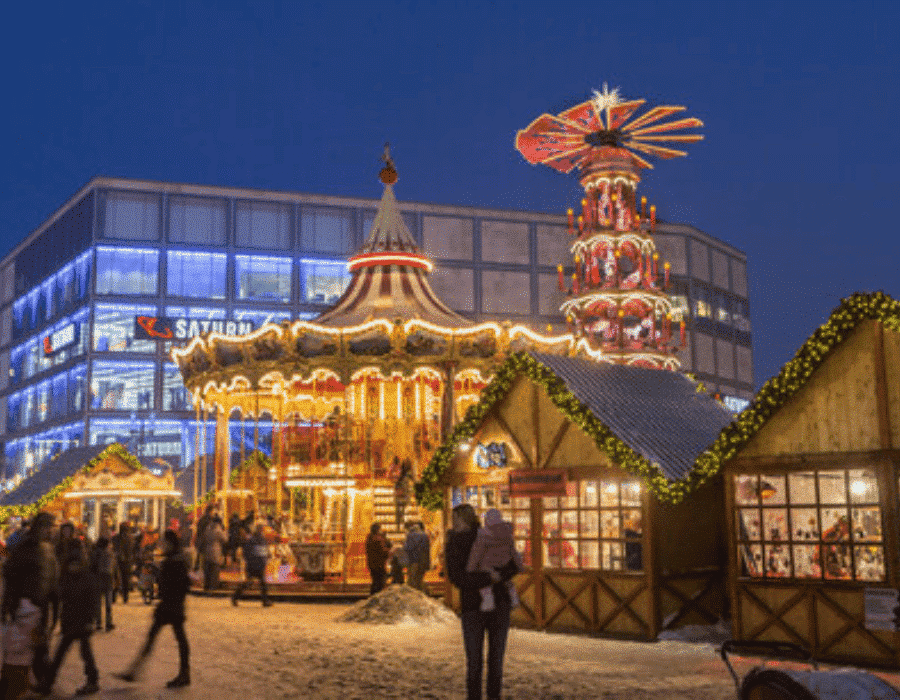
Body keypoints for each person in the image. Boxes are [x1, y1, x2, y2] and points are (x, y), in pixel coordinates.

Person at [445, 503, 519, 700]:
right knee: (485, 661)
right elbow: (458, 577)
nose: (453, 524)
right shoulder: (461, 541)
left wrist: (496, 575)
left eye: (455, 519)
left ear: (464, 520)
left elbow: (511, 562)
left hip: (483, 605)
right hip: (486, 604)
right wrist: (492, 577)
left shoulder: (479, 537)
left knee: (484, 661)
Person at [115, 529, 190, 688]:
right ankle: (137, 670)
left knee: (164, 638)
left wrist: (167, 593)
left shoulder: (175, 560)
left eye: (165, 542)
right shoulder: (175, 558)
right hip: (170, 605)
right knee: (164, 638)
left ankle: (136, 670)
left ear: (171, 543)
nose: (162, 545)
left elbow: (179, 584)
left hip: (171, 605)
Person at [1, 511, 57, 697]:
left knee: (38, 646)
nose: (50, 530)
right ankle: (17, 686)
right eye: (47, 527)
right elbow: (11, 574)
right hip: (26, 605)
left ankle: (40, 682)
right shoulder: (26, 547)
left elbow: (52, 577)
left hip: (40, 605)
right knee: (23, 650)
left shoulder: (47, 548)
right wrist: (8, 604)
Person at [37, 541, 100, 696]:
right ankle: (48, 682)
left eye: (76, 564)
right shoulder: (67, 578)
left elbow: (92, 602)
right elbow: (61, 596)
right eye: (71, 564)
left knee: (84, 654)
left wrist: (90, 620)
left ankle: (92, 681)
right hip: (70, 622)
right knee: (61, 654)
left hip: (82, 623)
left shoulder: (87, 579)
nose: (73, 567)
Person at [465, 508, 521, 611]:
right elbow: (513, 552)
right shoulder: (507, 534)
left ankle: (488, 599)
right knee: (507, 581)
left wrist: (470, 568)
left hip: (488, 568)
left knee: (483, 582)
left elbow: (476, 553)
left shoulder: (483, 535)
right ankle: (514, 597)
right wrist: (519, 565)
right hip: (504, 566)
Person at [232, 524, 271, 607]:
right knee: (255, 583)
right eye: (262, 530)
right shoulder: (256, 540)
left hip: (254, 564)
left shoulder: (254, 539)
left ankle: (235, 597)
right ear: (260, 531)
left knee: (259, 583)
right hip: (256, 564)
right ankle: (235, 596)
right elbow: (249, 551)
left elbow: (247, 552)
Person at [89, 537, 115, 631]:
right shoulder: (109, 553)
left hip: (98, 579)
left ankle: (98, 623)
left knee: (98, 603)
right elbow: (113, 568)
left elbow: (91, 566)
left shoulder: (95, 553)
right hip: (107, 579)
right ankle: (108, 623)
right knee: (108, 603)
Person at [364, 523, 391, 595]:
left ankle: (373, 597)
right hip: (379, 564)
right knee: (380, 583)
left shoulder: (369, 538)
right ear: (378, 530)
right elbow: (383, 551)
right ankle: (377, 598)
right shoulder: (378, 539)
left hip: (372, 563)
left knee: (375, 581)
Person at [403, 521, 431, 592]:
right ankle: (423, 596)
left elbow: (407, 548)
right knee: (419, 580)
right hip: (423, 561)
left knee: (413, 582)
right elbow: (427, 550)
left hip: (414, 561)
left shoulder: (410, 535)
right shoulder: (425, 535)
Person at [112, 523, 135, 603]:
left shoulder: (115, 538)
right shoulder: (131, 538)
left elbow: (113, 548)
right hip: (127, 561)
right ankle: (125, 597)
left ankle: (114, 597)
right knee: (125, 579)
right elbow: (133, 550)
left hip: (118, 560)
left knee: (116, 579)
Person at [201, 516, 227, 591]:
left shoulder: (208, 528)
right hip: (216, 552)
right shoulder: (218, 530)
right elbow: (225, 540)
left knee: (207, 570)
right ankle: (213, 587)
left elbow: (204, 538)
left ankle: (206, 586)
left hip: (207, 550)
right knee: (214, 570)